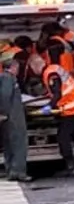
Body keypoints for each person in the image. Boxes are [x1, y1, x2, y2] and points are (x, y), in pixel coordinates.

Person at [41, 44, 74, 176]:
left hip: (71, 109)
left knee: (63, 137)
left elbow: (57, 93)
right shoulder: (58, 69)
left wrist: (49, 106)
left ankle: (70, 166)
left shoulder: (51, 73)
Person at [0, 47, 32, 182]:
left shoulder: (4, 78)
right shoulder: (9, 79)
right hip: (13, 117)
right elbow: (5, 96)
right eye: (17, 66)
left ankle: (11, 170)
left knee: (9, 144)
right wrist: (3, 113)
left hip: (8, 116)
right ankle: (19, 172)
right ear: (13, 66)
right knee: (19, 144)